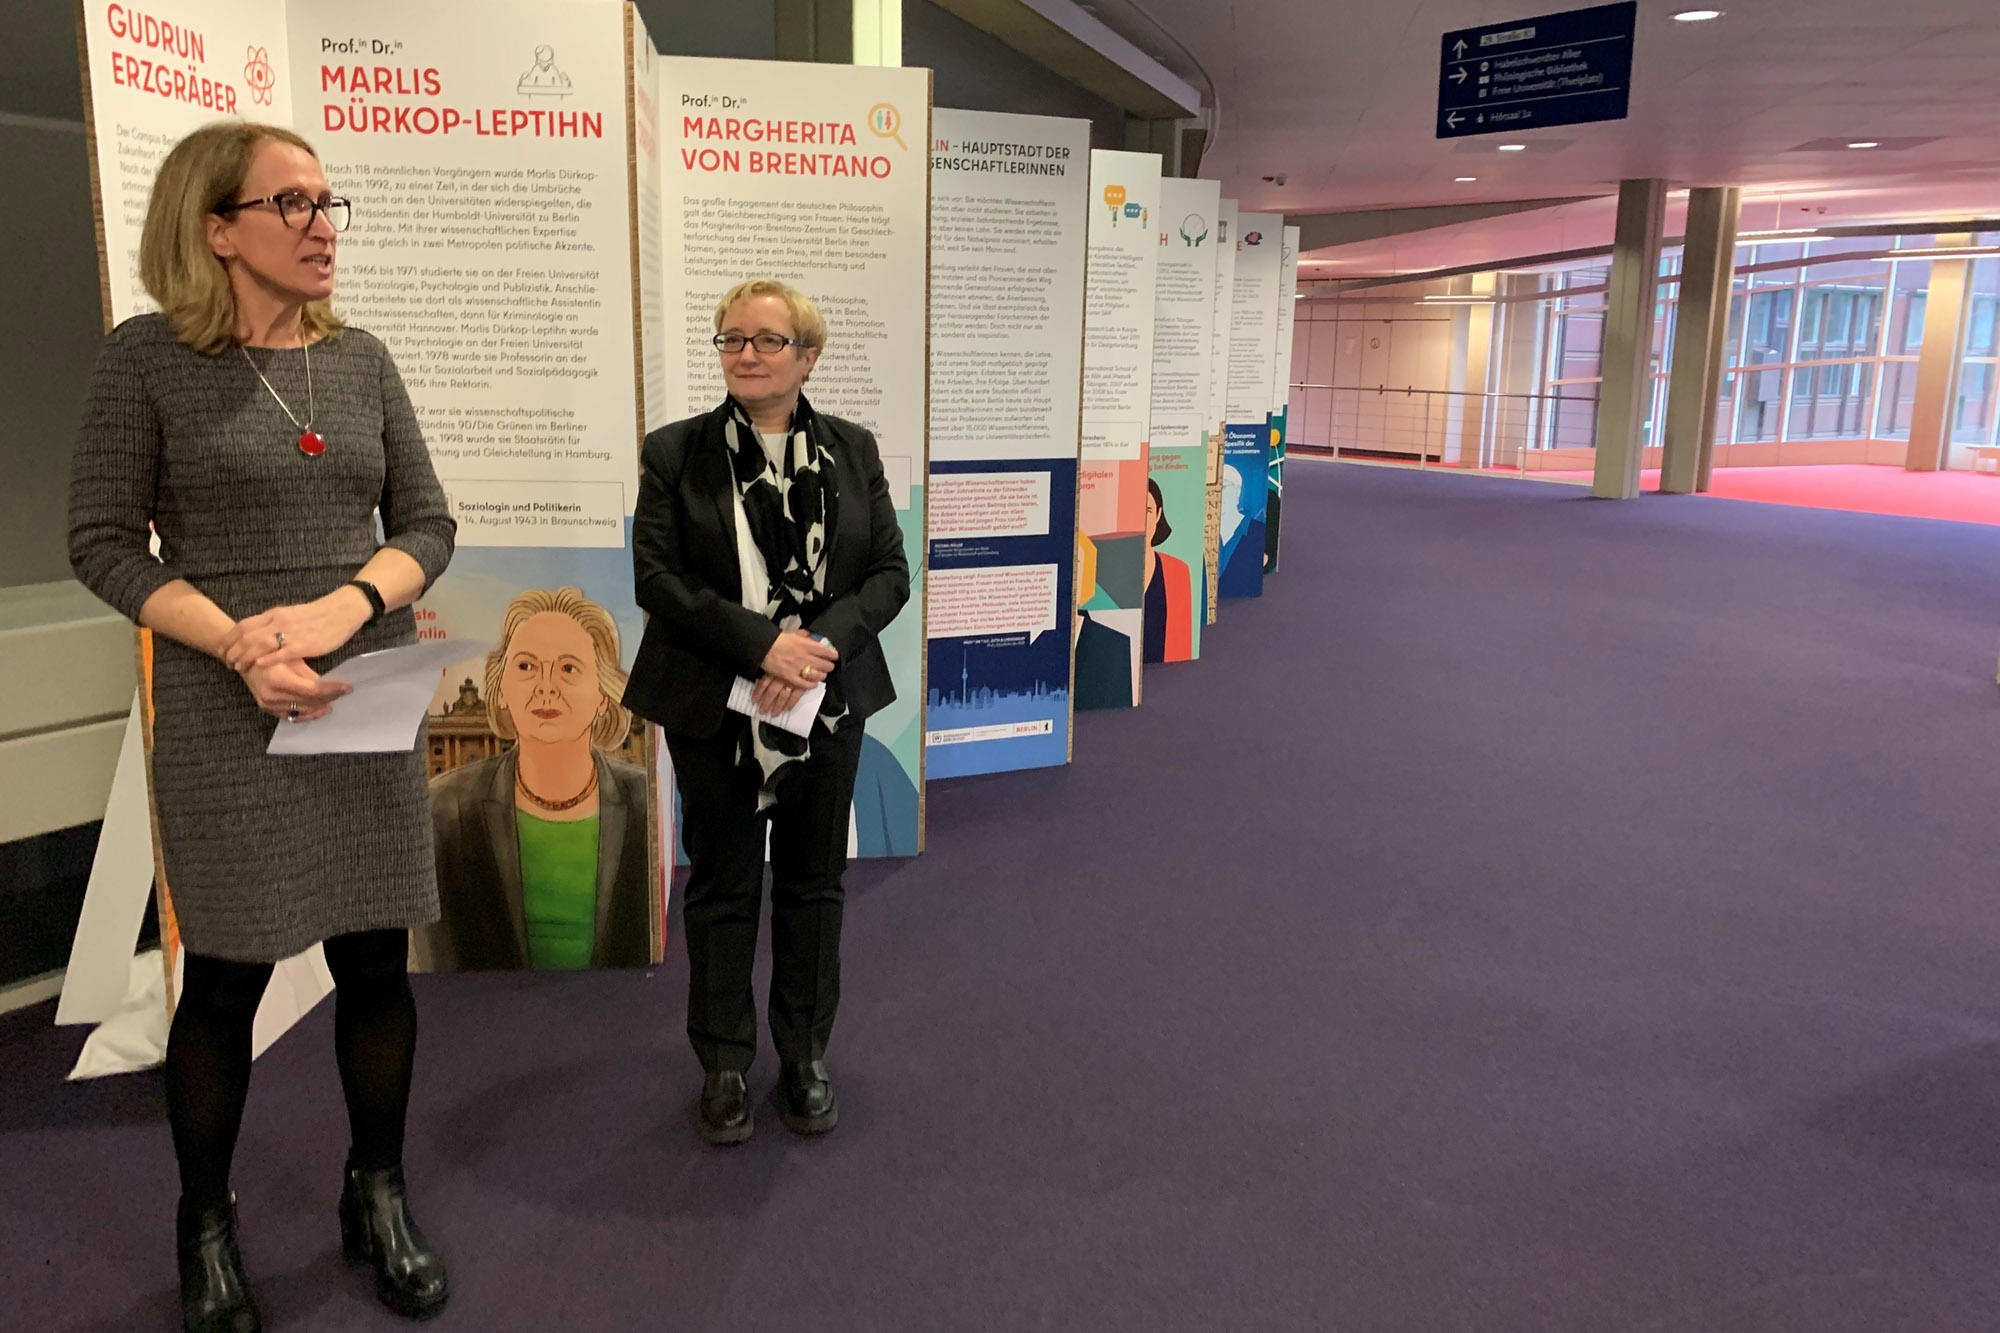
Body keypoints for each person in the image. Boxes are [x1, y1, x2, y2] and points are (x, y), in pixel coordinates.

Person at [67, 122, 455, 1332]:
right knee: (227, 977)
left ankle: (375, 1191)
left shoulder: (364, 358)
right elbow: (99, 544)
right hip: (223, 701)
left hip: (357, 685)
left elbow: (428, 526)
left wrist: (343, 608)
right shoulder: (146, 362)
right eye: (289, 203)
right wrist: (240, 640)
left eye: (328, 200)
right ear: (215, 228)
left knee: (374, 961)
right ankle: (205, 1222)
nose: (320, 222)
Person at [624, 278, 909, 1145]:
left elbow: (890, 574)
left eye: (766, 340)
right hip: (717, 699)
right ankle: (723, 1062)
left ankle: (805, 1055)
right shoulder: (675, 452)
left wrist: (813, 647)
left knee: (815, 882)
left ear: (807, 356)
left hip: (825, 700)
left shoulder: (853, 450)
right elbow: (659, 580)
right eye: (730, 339)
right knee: (720, 886)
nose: (744, 353)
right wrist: (760, 645)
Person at [419, 586, 654, 971]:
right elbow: (435, 957)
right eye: (526, 667)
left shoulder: (646, 803)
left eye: (568, 668)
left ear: (603, 694)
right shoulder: (443, 811)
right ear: (500, 691)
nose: (546, 687)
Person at [1141, 477, 1193, 664]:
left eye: (1147, 511)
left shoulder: (1178, 571)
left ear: (1158, 515)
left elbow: (1182, 640)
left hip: (1166, 671)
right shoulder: (1108, 567)